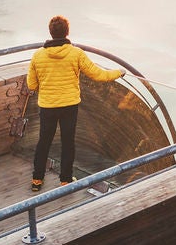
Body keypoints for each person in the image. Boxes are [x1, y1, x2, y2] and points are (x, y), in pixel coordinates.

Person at [26, 15, 124, 191]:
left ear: (50, 32)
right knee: (67, 142)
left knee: (44, 142)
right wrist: (119, 72)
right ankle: (65, 180)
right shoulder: (76, 53)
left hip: (47, 106)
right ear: (67, 32)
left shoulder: (38, 56)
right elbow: (98, 74)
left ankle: (37, 180)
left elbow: (31, 85)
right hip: (69, 106)